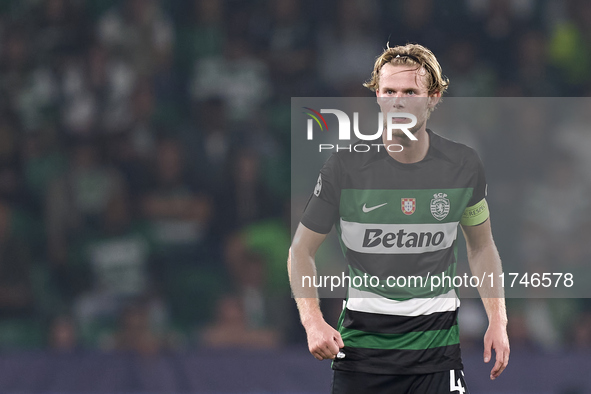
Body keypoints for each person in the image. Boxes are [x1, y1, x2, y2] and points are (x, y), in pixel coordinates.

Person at [288, 43, 509, 393]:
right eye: (389, 91)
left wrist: (498, 320)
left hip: (437, 360)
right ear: (377, 96)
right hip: (362, 359)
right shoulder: (344, 167)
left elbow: (482, 247)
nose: (398, 101)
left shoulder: (463, 165)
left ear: (433, 97)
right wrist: (313, 322)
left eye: (410, 91)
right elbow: (300, 251)